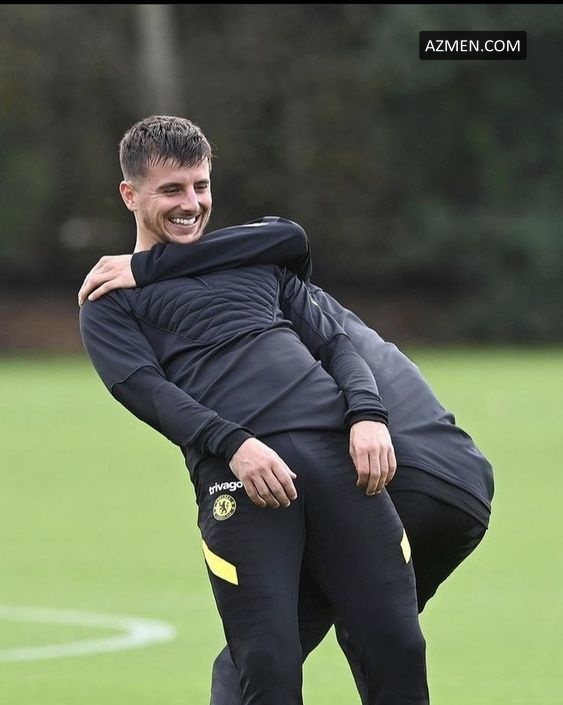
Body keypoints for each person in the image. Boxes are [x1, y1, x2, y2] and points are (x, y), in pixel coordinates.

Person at [78, 150, 494, 705]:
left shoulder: (258, 263)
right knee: (267, 666)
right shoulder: (108, 302)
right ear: (130, 195)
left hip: (341, 463)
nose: (191, 203)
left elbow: (335, 343)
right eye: (171, 189)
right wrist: (235, 445)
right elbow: (145, 390)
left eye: (200, 185)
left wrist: (368, 415)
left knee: (396, 646)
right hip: (243, 479)